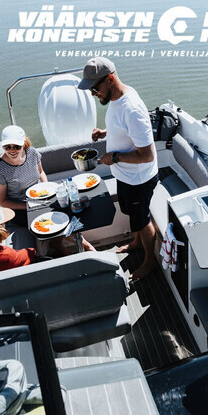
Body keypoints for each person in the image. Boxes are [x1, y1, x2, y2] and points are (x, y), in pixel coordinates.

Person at [78, 57, 158, 280]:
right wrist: (107, 132)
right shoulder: (117, 98)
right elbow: (125, 129)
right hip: (125, 175)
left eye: (95, 89)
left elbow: (147, 155)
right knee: (133, 215)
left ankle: (150, 261)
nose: (93, 94)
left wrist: (114, 157)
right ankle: (137, 242)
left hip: (139, 179)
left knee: (142, 220)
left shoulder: (132, 109)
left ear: (110, 79)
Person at [0, 125, 95, 252]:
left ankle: (58, 244)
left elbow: (41, 172)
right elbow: (1, 202)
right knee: (53, 218)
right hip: (19, 208)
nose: (12, 150)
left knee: (66, 208)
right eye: (7, 147)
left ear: (23, 143)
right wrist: (29, 206)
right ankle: (83, 246)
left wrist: (48, 190)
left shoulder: (32, 152)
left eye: (16, 146)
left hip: (40, 197)